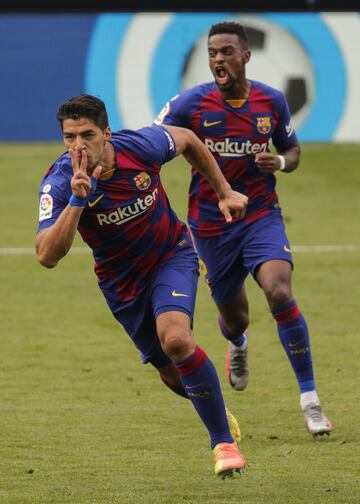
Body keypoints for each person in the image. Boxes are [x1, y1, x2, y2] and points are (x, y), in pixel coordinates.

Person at [35, 94, 249, 478]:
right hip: (121, 283)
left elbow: (187, 139)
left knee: (177, 339)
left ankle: (223, 444)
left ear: (107, 133)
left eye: (87, 135)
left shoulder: (142, 146)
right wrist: (79, 201)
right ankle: (217, 409)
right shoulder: (60, 182)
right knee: (170, 371)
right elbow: (47, 255)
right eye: (70, 138)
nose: (79, 146)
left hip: (172, 255)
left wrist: (224, 191)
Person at [154, 21, 333, 437]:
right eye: (213, 52)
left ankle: (310, 400)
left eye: (227, 51)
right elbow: (154, 136)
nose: (219, 58)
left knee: (279, 290)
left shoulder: (271, 101)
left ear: (246, 56)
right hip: (211, 225)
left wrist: (281, 163)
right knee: (234, 319)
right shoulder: (189, 104)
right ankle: (238, 344)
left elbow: (293, 150)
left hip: (260, 215)